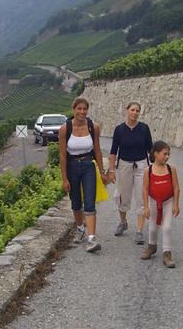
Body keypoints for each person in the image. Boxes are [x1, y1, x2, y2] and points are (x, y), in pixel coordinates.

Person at [59, 97, 107, 252]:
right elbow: (62, 156)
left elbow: (98, 151)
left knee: (90, 201)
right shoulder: (65, 129)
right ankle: (80, 228)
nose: (82, 112)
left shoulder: (94, 127)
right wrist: (64, 178)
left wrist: (102, 172)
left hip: (88, 165)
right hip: (72, 166)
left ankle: (91, 238)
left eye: (84, 109)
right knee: (76, 201)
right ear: (74, 110)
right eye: (79, 109)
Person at [108, 102, 153, 244]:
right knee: (122, 196)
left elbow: (151, 150)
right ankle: (123, 222)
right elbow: (113, 151)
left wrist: (156, 168)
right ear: (127, 111)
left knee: (141, 197)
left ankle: (139, 231)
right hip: (124, 165)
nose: (135, 113)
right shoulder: (119, 130)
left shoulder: (144, 129)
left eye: (137, 110)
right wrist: (111, 170)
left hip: (141, 166)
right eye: (132, 110)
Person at [140, 140, 180, 268]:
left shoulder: (171, 169)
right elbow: (145, 189)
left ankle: (167, 253)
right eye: (164, 154)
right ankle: (152, 246)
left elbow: (176, 188)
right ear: (156, 154)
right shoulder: (148, 170)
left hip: (168, 202)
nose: (167, 157)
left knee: (167, 227)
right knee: (152, 228)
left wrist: (176, 204)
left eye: (168, 154)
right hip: (153, 202)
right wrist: (146, 207)